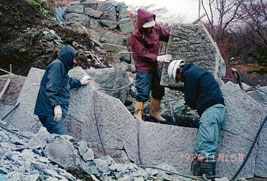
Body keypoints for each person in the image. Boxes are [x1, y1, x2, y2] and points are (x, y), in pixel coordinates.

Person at [168, 60, 226, 177]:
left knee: (206, 147)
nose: (180, 80)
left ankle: (206, 177)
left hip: (210, 111)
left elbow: (190, 98)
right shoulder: (196, 71)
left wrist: (189, 104)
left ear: (179, 70)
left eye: (178, 78)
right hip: (215, 111)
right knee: (200, 146)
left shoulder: (189, 74)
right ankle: (196, 176)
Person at [34, 45, 91, 135]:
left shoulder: (62, 67)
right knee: (62, 137)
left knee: (53, 137)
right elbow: (52, 88)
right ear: (67, 56)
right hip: (49, 111)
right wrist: (56, 106)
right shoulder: (57, 65)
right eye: (74, 58)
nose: (75, 62)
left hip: (49, 111)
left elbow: (66, 82)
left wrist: (80, 82)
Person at [130, 8, 172, 122]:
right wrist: (157, 57)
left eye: (151, 25)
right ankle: (138, 114)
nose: (150, 27)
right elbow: (141, 52)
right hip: (143, 66)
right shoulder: (136, 35)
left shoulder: (156, 28)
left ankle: (154, 112)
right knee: (143, 91)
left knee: (159, 89)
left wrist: (177, 36)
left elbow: (167, 36)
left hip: (155, 65)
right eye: (147, 26)